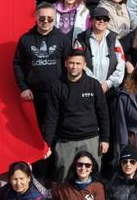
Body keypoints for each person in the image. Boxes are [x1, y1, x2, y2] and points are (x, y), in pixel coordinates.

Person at [42, 47, 110, 179]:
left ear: (84, 65)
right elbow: (51, 116)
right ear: (65, 63)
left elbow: (103, 114)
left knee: (92, 178)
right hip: (65, 141)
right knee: (63, 178)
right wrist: (47, 143)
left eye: (78, 63)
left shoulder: (93, 85)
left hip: (91, 139)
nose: (74, 66)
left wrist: (105, 139)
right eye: (71, 63)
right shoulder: (57, 86)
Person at [16, 3, 74, 132]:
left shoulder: (62, 39)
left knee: (58, 128)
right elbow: (18, 64)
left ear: (55, 18)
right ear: (36, 18)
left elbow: (70, 64)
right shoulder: (25, 39)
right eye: (42, 18)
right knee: (36, 130)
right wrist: (23, 88)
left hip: (57, 93)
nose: (46, 21)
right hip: (33, 94)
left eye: (50, 18)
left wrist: (68, 88)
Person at [80, 6, 127, 104]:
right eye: (98, 18)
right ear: (91, 20)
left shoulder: (114, 40)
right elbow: (78, 63)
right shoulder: (81, 39)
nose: (102, 21)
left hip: (110, 90)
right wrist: (94, 83)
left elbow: (121, 64)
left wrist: (108, 83)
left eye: (105, 19)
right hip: (87, 88)